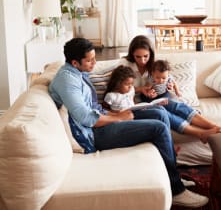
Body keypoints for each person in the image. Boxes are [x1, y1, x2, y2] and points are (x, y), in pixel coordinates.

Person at [48, 37, 208, 208]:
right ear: (74, 62)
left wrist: (115, 113)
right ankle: (176, 191)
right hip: (94, 135)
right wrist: (118, 117)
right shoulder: (67, 80)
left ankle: (172, 175)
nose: (95, 63)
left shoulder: (77, 72)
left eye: (94, 58)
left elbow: (93, 107)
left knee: (159, 112)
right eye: (90, 60)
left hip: (103, 119)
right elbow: (86, 118)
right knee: (159, 129)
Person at [120, 35, 221, 143]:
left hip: (155, 97)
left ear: (151, 54)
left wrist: (168, 85)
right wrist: (141, 89)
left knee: (171, 104)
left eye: (146, 56)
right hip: (138, 104)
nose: (142, 61)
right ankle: (200, 133)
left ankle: (213, 126)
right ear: (132, 54)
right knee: (163, 112)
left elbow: (165, 79)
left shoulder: (154, 66)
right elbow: (119, 88)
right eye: (138, 57)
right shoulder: (125, 66)